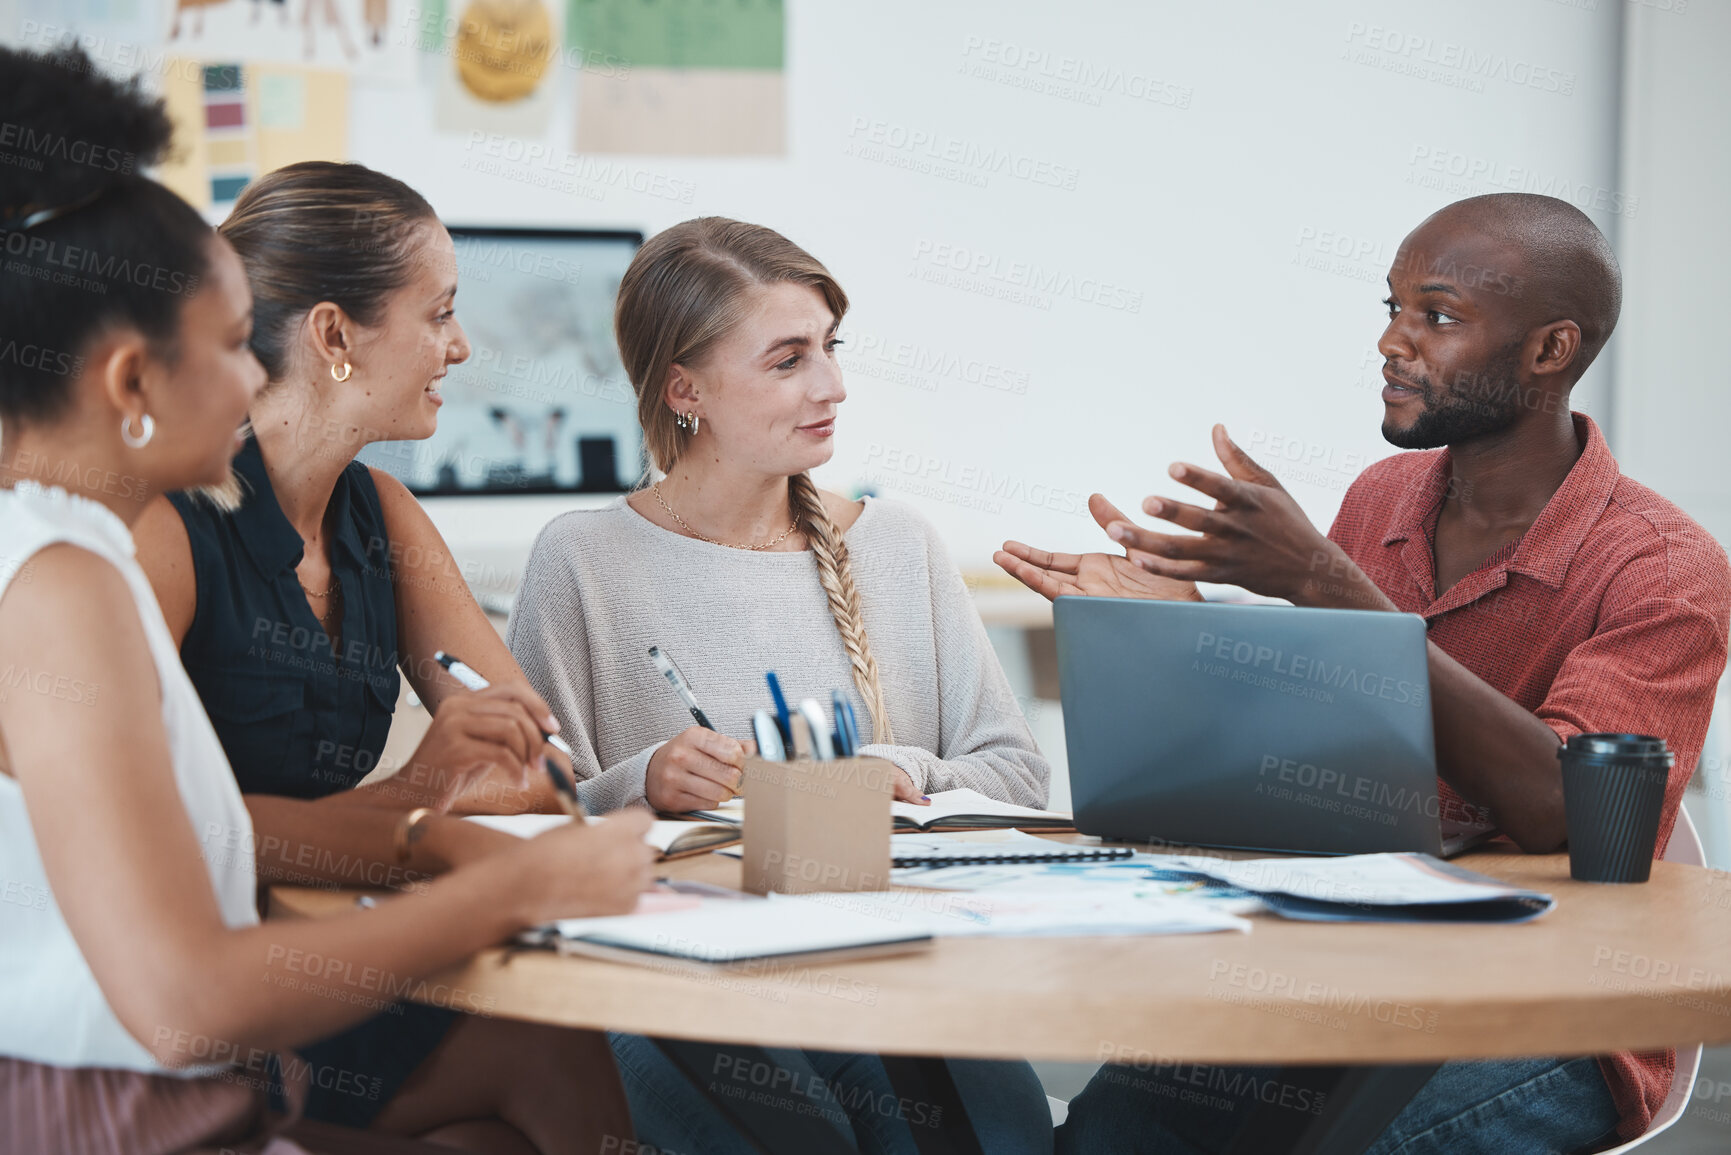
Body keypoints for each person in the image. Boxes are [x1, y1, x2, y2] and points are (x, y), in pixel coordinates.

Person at [0, 44, 656, 1154]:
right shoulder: (65, 582)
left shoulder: (71, 557)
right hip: (120, 1109)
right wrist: (504, 883)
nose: (255, 379)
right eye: (225, 346)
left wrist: (436, 832)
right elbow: (184, 1003)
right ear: (130, 381)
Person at [997, 193, 1731, 1153]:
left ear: (1549, 351)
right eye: (1388, 308)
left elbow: (1567, 808)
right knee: (1108, 1134)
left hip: (1562, 1006)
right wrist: (1182, 635)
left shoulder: (1667, 570)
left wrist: (1321, 579)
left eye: (1436, 316)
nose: (1392, 341)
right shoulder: (1382, 497)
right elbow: (1321, 744)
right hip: (1352, 961)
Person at [506, 216, 1054, 1152]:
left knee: (997, 1127)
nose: (832, 386)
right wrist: (640, 780)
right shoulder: (582, 558)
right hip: (680, 969)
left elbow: (1015, 772)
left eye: (830, 349)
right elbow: (527, 813)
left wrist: (895, 768)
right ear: (686, 389)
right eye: (789, 359)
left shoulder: (897, 545)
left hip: (889, 949)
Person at [129, 158, 627, 1137]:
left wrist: (469, 778)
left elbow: (545, 766)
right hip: (207, 991)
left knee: (499, 1118)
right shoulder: (170, 530)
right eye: (438, 314)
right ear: (334, 334)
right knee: (545, 1055)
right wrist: (415, 801)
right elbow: (165, 832)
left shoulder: (385, 518)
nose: (461, 346)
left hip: (336, 951)